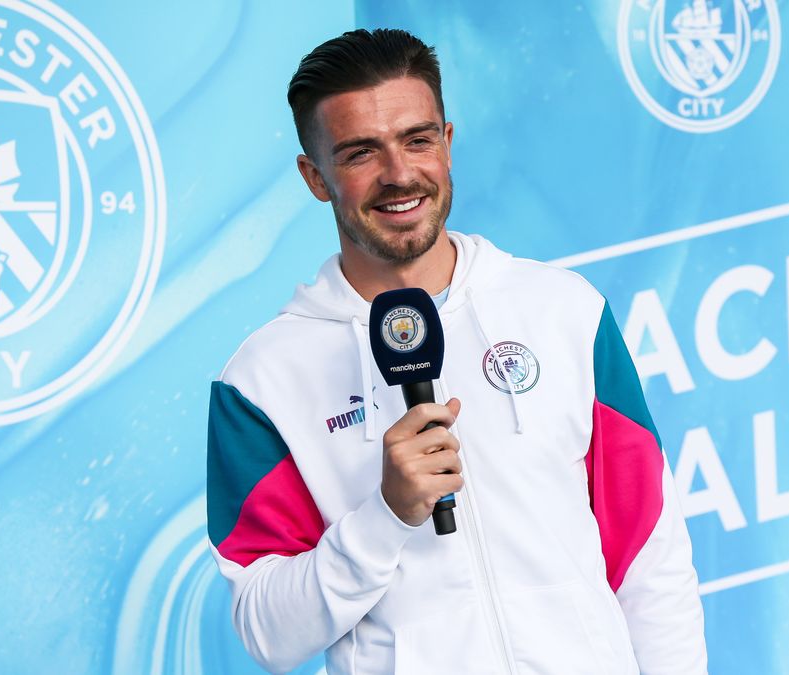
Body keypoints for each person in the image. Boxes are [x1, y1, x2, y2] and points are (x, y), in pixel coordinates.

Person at [207, 28, 707, 674]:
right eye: (361, 153)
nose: (398, 174)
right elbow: (268, 633)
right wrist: (385, 516)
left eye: (417, 140)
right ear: (315, 177)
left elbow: (651, 559)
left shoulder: (563, 311)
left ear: (446, 142)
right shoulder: (262, 381)